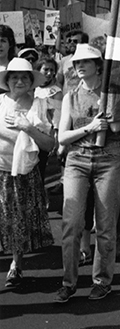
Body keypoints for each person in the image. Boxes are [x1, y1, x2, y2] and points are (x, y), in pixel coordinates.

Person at [54, 44, 120, 303]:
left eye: (87, 61)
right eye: (77, 63)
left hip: (108, 161)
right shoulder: (70, 97)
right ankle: (68, 282)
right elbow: (62, 137)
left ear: (99, 65)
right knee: (71, 223)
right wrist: (91, 127)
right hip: (77, 160)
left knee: (105, 225)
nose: (80, 66)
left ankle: (101, 281)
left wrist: (111, 120)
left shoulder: (113, 94)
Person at [0, 58, 56, 287]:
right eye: (14, 77)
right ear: (7, 81)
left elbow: (49, 144)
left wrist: (28, 127)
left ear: (32, 82)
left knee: (18, 221)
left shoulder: (37, 106)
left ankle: (16, 265)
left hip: (22, 174)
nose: (19, 81)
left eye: (25, 77)